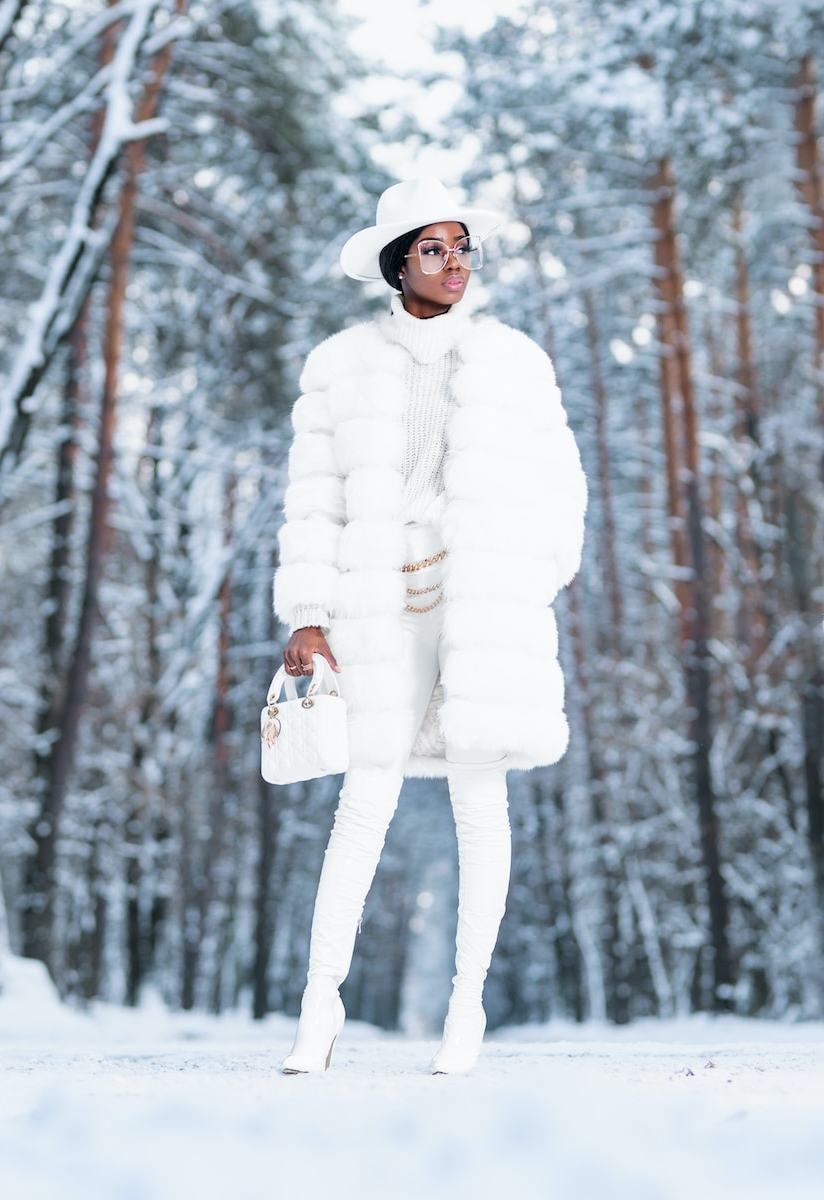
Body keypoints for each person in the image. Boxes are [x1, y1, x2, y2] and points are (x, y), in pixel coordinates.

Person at [273, 177, 587, 1074]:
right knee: (363, 798)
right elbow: (313, 498)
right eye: (434, 249)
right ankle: (317, 1009)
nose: (455, 264)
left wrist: (539, 572)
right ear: (395, 263)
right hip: (376, 594)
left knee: (478, 803)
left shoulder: (513, 361)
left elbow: (561, 480)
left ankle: (464, 1013)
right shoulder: (338, 366)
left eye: (463, 247)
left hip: (481, 592)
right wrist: (307, 612)